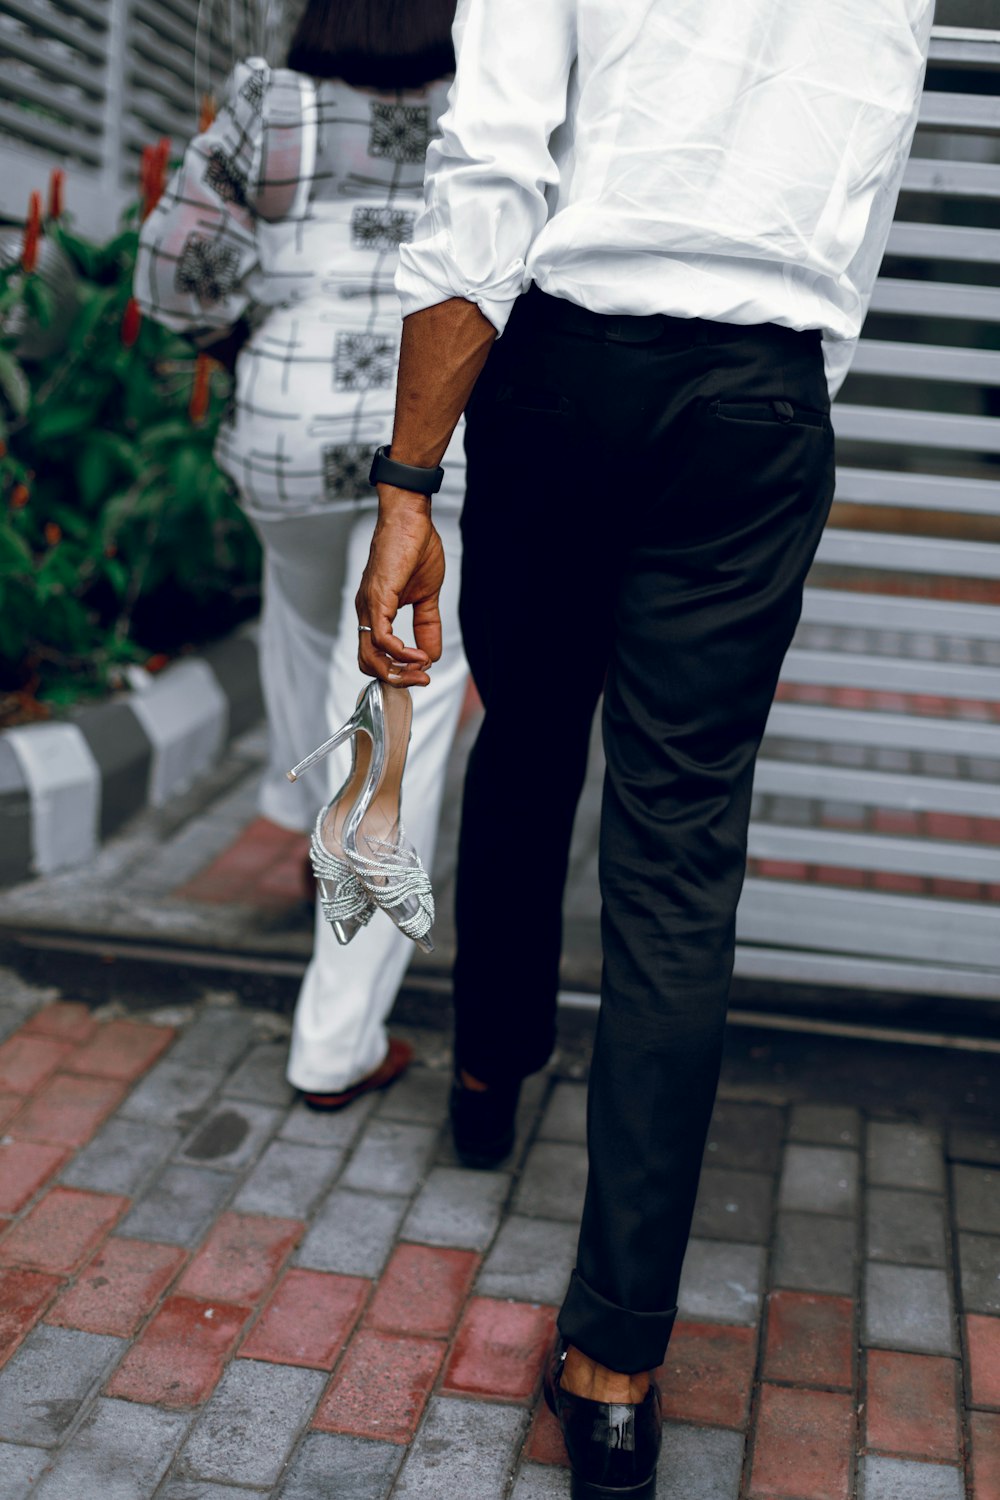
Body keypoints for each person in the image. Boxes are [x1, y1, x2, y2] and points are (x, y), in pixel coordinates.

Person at [354, 0, 935, 1492]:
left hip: (563, 367)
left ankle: (489, 1079)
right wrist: (782, 392)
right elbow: (861, 199)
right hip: (764, 393)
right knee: (680, 858)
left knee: (530, 725)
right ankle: (612, 1373)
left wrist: (408, 481)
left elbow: (492, 168)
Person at [134, 0, 466, 1109]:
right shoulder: (491, 113)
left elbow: (172, 262)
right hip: (426, 455)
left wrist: (243, 338)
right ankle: (333, 1041)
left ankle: (290, 819)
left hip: (281, 432)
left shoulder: (267, 104)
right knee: (390, 716)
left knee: (302, 606)